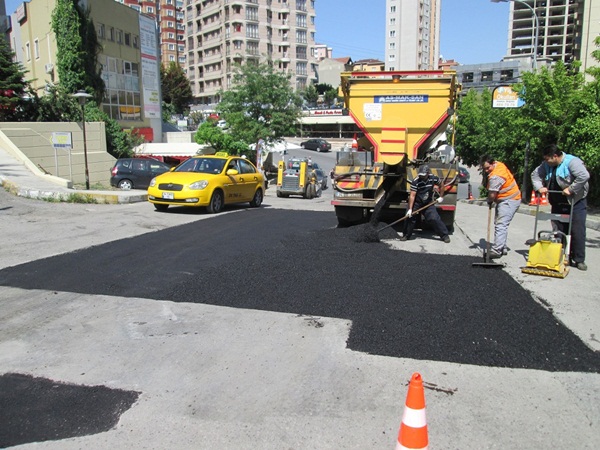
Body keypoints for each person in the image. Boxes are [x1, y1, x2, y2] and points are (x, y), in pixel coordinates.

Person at [531, 144, 590, 271]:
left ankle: (579, 259)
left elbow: (584, 176)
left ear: (555, 156)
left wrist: (571, 189)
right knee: (558, 230)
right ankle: (559, 255)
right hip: (557, 202)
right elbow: (535, 175)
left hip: (575, 201)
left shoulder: (572, 162)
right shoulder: (546, 165)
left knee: (577, 230)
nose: (545, 162)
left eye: (547, 159)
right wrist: (539, 187)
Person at [479, 155, 522, 259]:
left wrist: (489, 201)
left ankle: (497, 251)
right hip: (509, 198)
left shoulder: (496, 176)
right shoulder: (499, 164)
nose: (486, 170)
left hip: (509, 200)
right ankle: (502, 248)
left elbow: (492, 194)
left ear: (493, 163)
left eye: (488, 168)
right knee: (501, 224)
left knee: (501, 224)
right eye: (484, 168)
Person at [401, 165, 450, 243]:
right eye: (421, 175)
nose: (422, 177)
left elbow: (441, 185)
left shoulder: (433, 178)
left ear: (428, 173)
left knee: (434, 218)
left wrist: (441, 197)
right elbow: (412, 195)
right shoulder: (416, 181)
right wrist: (410, 209)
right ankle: (406, 235)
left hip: (428, 202)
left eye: (423, 175)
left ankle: (444, 235)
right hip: (416, 202)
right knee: (409, 217)